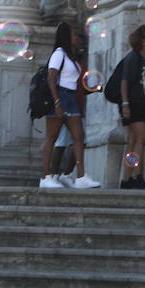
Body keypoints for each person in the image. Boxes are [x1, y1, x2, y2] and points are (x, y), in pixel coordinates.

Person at [38, 24, 99, 189]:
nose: (76, 37)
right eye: (73, 34)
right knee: (52, 138)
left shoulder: (71, 57)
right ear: (66, 36)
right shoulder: (59, 54)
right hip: (60, 96)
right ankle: (45, 176)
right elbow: (51, 79)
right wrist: (57, 101)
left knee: (79, 137)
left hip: (71, 97)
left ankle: (81, 176)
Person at [116, 24, 145, 189]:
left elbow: (142, 84)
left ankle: (127, 179)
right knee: (141, 139)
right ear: (143, 41)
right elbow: (124, 81)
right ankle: (136, 176)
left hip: (139, 102)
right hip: (133, 104)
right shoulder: (133, 58)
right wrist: (125, 104)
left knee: (133, 141)